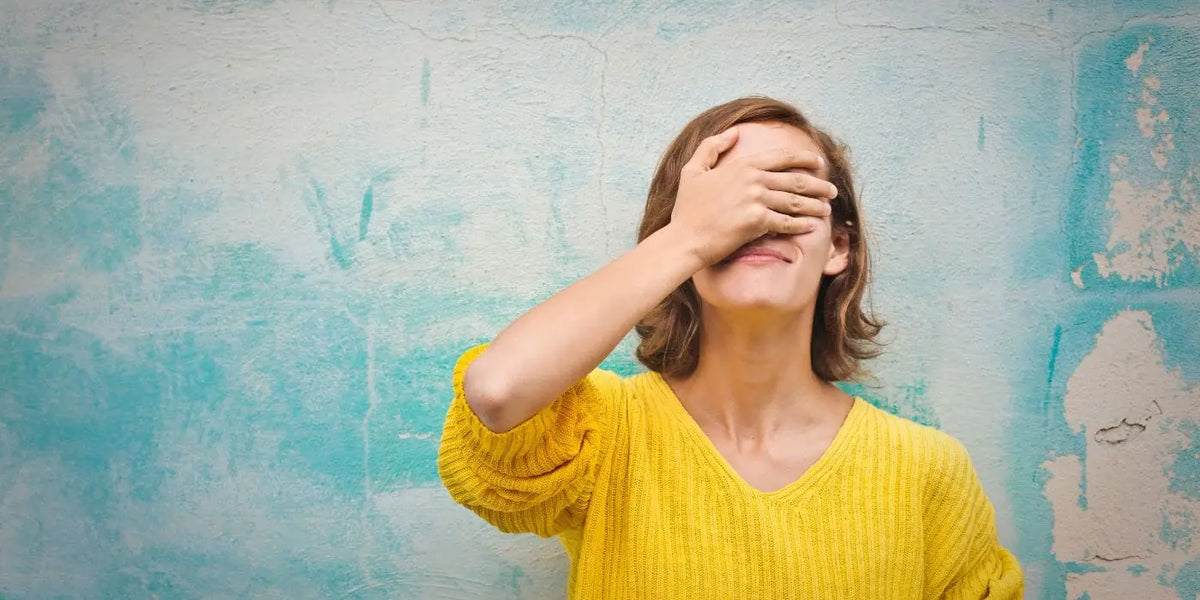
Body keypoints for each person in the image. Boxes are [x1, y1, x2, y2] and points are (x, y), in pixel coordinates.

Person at [437, 96, 1023, 599]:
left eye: (791, 196)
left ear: (839, 247)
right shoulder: (604, 433)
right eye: (730, 200)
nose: (757, 220)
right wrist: (690, 238)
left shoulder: (926, 470)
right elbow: (497, 391)